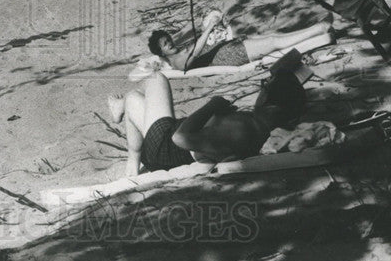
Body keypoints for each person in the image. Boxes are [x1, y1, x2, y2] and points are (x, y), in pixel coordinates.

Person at [107, 55, 307, 175]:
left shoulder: (241, 128)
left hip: (165, 147)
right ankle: (132, 158)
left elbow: (180, 138)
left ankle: (133, 155)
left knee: (155, 77)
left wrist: (212, 106)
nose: (260, 90)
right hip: (167, 149)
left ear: (271, 106)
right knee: (133, 97)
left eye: (265, 87)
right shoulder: (256, 129)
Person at [147, 11, 333, 73]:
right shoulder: (178, 62)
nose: (169, 43)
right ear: (161, 53)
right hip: (229, 56)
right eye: (165, 44)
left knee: (272, 34)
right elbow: (195, 53)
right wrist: (210, 28)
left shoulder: (177, 51)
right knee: (274, 41)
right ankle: (319, 29)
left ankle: (315, 28)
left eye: (168, 39)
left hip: (226, 48)